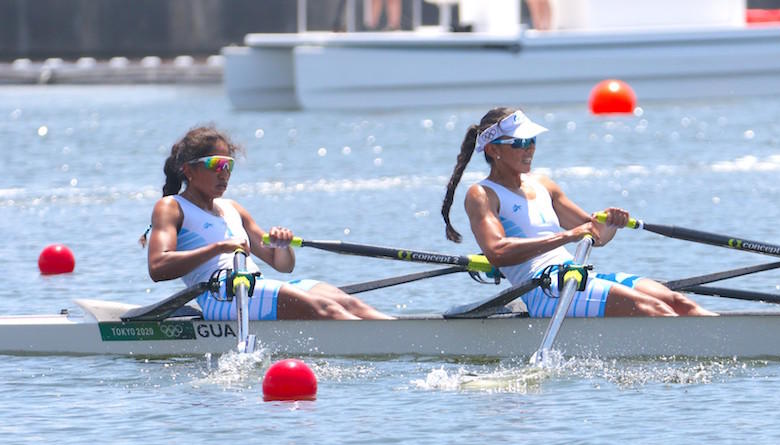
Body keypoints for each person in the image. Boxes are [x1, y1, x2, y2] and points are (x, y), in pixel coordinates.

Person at [440, 107, 714, 317]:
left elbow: (595, 234)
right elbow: (497, 251)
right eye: (520, 143)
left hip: (576, 277)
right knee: (650, 307)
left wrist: (611, 223)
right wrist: (567, 236)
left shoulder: (543, 184)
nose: (530, 149)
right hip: (542, 289)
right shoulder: (482, 194)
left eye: (532, 140)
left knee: (677, 301)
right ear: (493, 150)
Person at [145, 125, 392, 321]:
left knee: (346, 302)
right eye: (216, 165)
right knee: (326, 309)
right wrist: (219, 248)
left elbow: (282, 266)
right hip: (221, 296)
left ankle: (403, 335)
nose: (224, 173)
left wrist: (283, 246)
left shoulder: (233, 208)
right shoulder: (171, 207)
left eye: (229, 165)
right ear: (189, 170)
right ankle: (386, 343)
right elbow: (158, 267)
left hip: (254, 287)